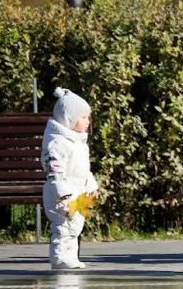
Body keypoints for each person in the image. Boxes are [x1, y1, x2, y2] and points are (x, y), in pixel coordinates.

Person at [41, 87, 99, 270]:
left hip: (78, 192)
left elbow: (84, 170)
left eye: (88, 117)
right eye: (83, 117)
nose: (87, 122)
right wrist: (63, 193)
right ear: (69, 119)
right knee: (63, 225)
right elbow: (54, 171)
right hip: (62, 194)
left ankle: (70, 256)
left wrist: (92, 186)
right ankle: (59, 257)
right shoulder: (57, 143)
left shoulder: (79, 143)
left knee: (74, 226)